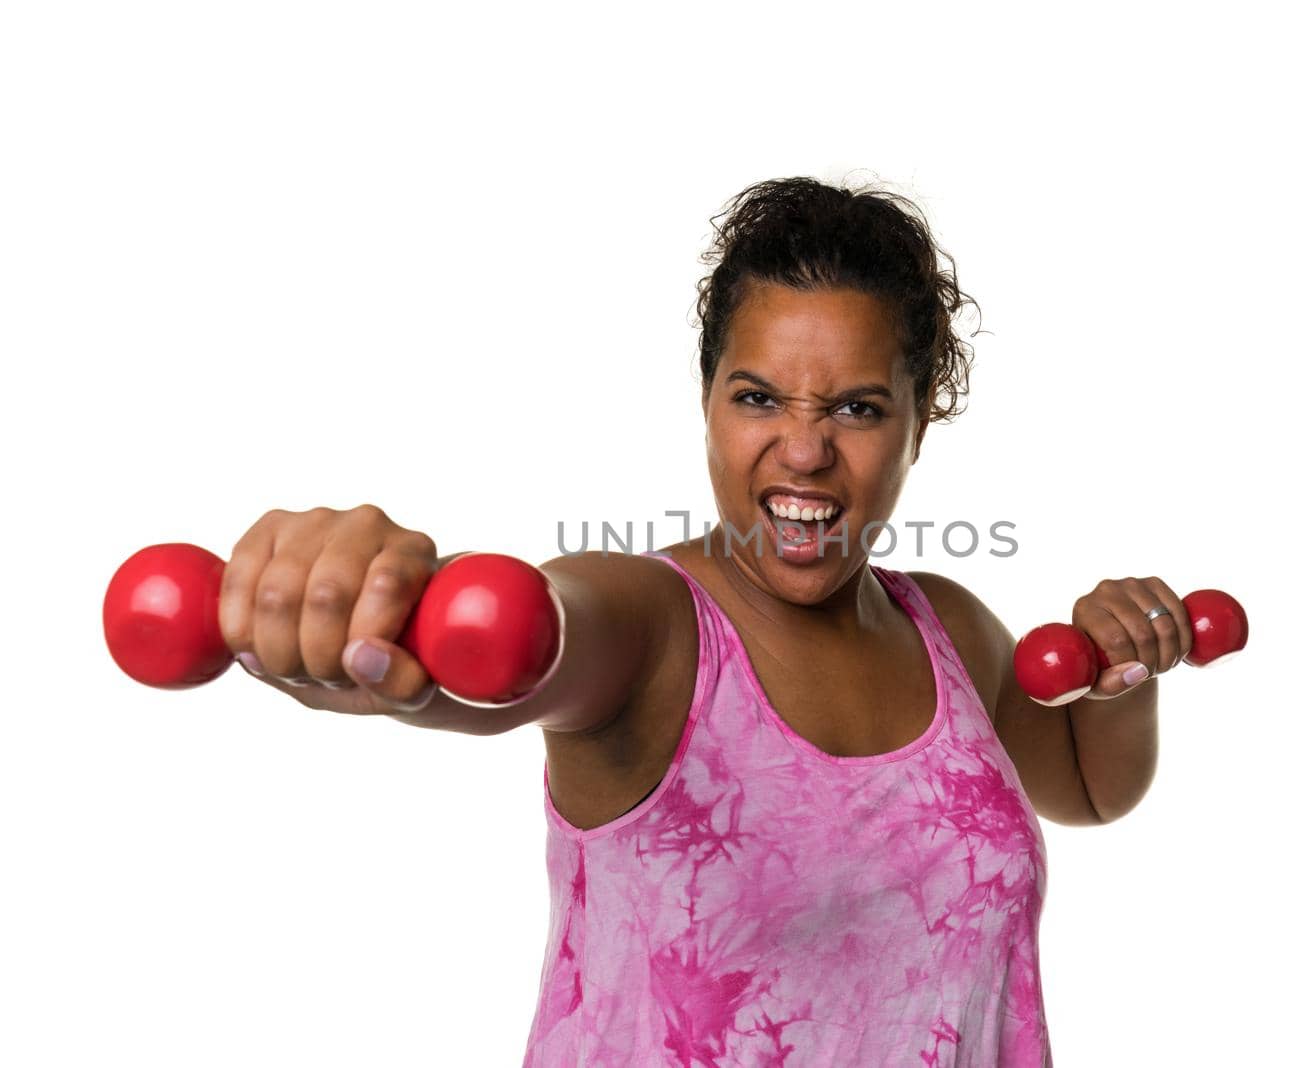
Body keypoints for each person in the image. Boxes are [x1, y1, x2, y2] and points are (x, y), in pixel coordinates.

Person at [220, 176, 1185, 1066]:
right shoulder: (651, 626)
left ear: (920, 421)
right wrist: (401, 610)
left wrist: (1124, 669)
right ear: (709, 399)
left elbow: (1091, 790)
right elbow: (532, 645)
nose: (802, 451)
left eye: (857, 407)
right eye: (758, 397)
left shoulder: (954, 628)